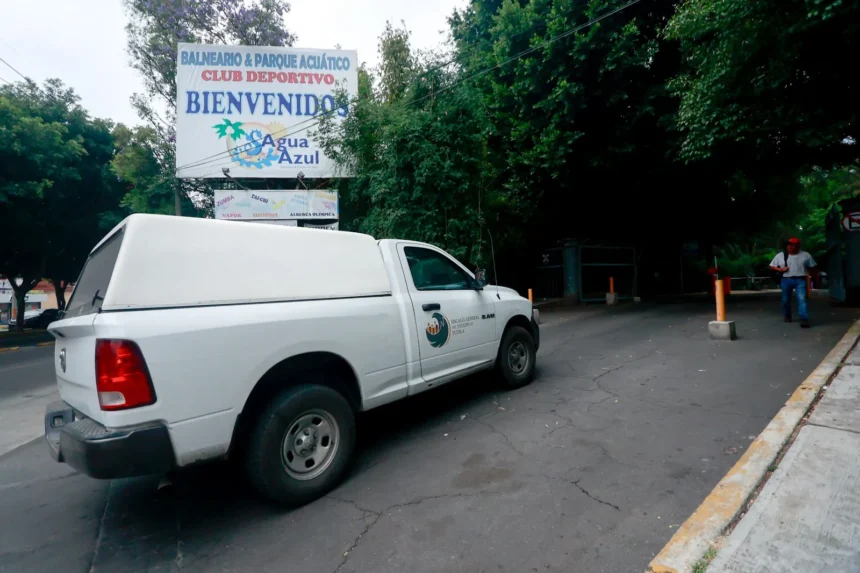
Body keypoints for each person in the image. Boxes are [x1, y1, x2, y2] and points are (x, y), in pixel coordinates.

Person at [769, 238, 817, 328]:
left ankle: (804, 319)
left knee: (802, 299)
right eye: (788, 244)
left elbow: (813, 266)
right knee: (785, 300)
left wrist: (813, 278)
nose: (790, 246)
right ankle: (787, 315)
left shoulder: (805, 255)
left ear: (798, 246)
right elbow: (771, 266)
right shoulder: (781, 255)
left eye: (792, 244)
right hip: (786, 280)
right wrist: (780, 269)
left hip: (800, 280)